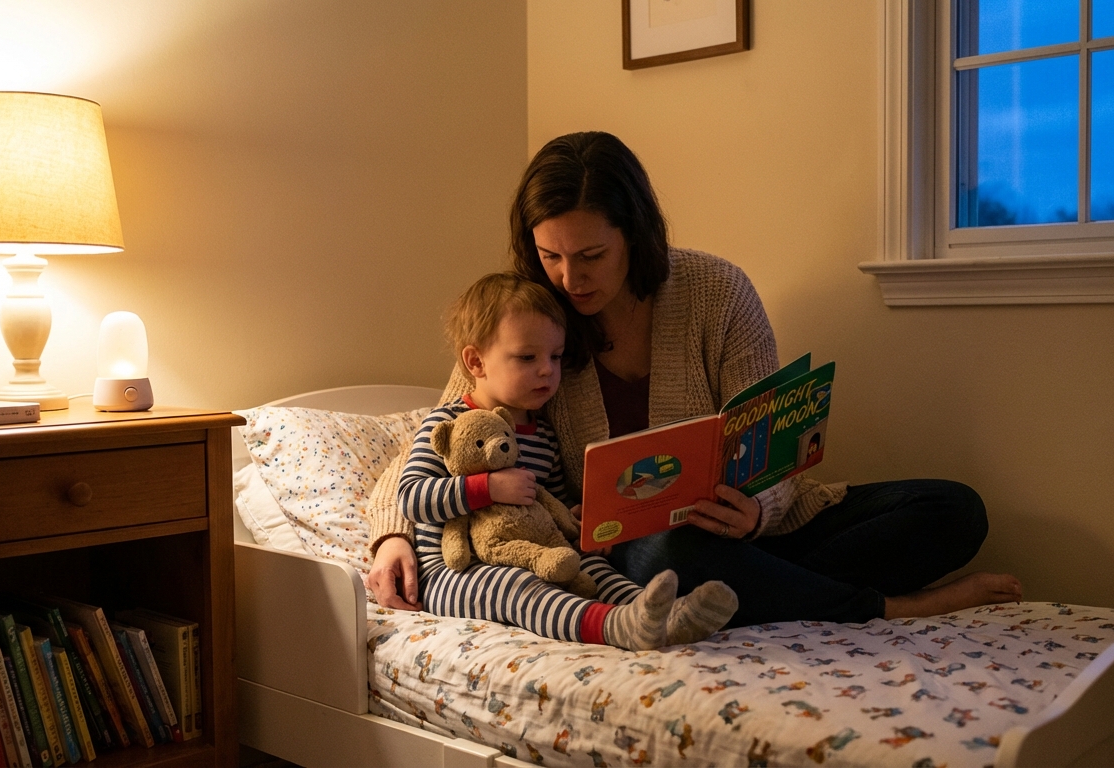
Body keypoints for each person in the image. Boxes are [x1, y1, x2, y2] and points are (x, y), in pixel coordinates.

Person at [367, 131, 1022, 626]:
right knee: (667, 556)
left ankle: (764, 584)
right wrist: (394, 533)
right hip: (641, 551)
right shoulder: (527, 320)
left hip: (743, 530)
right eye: (551, 256)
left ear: (637, 234)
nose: (572, 278)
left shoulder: (715, 291)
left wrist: (755, 509)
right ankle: (887, 608)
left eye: (592, 255)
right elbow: (445, 435)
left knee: (953, 510)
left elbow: (772, 449)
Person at [397, 272, 738, 649]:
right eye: (528, 357)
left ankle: (662, 615)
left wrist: (581, 523)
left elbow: (554, 500)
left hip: (536, 552)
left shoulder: (542, 433)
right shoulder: (446, 423)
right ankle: (612, 627)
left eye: (555, 356)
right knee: (517, 587)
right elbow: (412, 497)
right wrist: (488, 487)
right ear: (476, 361)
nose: (547, 369)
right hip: (455, 572)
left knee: (591, 566)